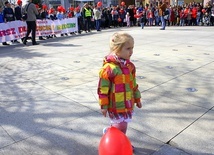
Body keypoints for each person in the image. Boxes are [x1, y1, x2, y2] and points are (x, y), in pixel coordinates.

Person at [97, 32, 142, 150]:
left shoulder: (130, 66)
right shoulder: (109, 68)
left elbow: (133, 84)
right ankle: (113, 139)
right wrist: (104, 105)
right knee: (119, 125)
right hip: (115, 105)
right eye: (128, 48)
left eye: (132, 48)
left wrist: (137, 98)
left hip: (127, 104)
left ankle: (122, 143)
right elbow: (103, 89)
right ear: (117, 49)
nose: (131, 51)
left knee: (124, 126)